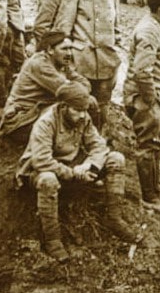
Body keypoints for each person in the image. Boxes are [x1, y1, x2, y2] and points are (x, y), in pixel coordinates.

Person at [15, 80, 141, 261]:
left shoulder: (83, 117)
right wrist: (72, 173)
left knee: (116, 159)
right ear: (64, 106)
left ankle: (114, 218)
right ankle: (52, 240)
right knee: (48, 180)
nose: (82, 115)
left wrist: (90, 166)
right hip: (42, 171)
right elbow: (41, 161)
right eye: (77, 110)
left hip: (73, 167)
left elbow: (99, 146)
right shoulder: (46, 123)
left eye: (84, 110)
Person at [123, 0, 160, 217]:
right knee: (147, 146)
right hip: (145, 98)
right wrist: (150, 100)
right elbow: (142, 71)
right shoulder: (148, 30)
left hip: (152, 97)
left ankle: (154, 193)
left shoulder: (155, 26)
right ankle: (149, 198)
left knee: (154, 145)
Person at [52, 0, 120, 133]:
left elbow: (116, 29)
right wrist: (67, 64)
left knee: (102, 108)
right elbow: (62, 31)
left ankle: (98, 140)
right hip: (81, 63)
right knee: (78, 106)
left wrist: (116, 56)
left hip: (106, 63)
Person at [0, 31, 92, 145]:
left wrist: (78, 90)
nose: (69, 53)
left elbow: (85, 84)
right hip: (20, 121)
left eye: (70, 49)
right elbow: (71, 92)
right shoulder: (39, 63)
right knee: (75, 106)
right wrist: (77, 89)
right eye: (64, 49)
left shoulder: (61, 64)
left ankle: (82, 143)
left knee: (80, 104)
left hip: (38, 114)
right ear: (50, 50)